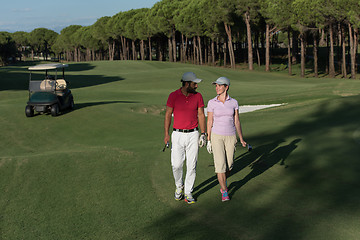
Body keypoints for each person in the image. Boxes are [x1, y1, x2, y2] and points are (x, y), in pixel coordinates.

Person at [164, 72, 207, 204]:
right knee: (176, 165)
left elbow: (201, 114)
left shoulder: (198, 96)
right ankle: (179, 187)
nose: (196, 86)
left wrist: (203, 133)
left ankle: (188, 192)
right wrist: (166, 134)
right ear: (187, 84)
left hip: (193, 134)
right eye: (194, 84)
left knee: (191, 165)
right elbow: (168, 115)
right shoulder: (173, 96)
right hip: (177, 135)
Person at [206, 77, 247, 202]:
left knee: (229, 166)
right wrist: (208, 139)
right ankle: (224, 191)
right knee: (220, 166)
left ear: (226, 87)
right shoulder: (211, 102)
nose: (217, 88)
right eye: (216, 86)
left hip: (231, 136)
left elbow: (236, 121)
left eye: (219, 85)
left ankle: (223, 179)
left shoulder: (234, 102)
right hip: (216, 136)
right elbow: (210, 121)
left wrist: (241, 138)